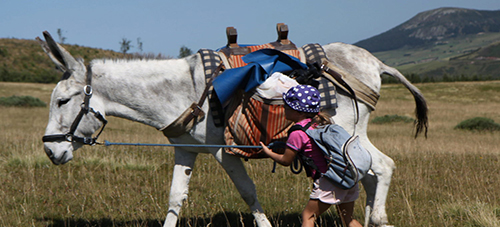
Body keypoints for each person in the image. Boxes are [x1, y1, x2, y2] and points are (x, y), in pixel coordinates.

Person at [259, 85, 362, 227]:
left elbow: (286, 160)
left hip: (329, 180)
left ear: (299, 112)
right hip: (347, 175)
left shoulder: (297, 133)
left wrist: (267, 152)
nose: (284, 109)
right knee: (347, 219)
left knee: (308, 216)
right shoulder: (319, 123)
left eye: (287, 107)